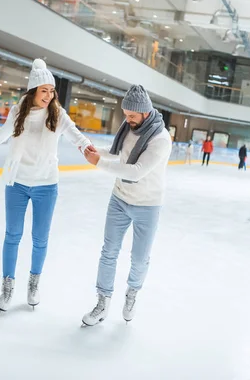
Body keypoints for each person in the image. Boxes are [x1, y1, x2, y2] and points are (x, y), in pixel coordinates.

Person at [0, 59, 93, 312]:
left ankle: (33, 285)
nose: (49, 96)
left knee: (40, 239)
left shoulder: (57, 114)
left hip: (46, 185)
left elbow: (76, 135)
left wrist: (87, 148)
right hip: (17, 183)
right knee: (12, 236)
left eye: (52, 91)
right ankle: (7, 288)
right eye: (44, 91)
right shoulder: (19, 113)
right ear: (33, 91)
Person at [80, 85, 172, 326]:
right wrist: (94, 151)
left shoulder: (160, 139)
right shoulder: (129, 127)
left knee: (139, 259)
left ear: (145, 113)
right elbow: (117, 154)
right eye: (125, 114)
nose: (127, 119)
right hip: (120, 198)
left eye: (132, 116)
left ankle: (132, 294)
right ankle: (102, 302)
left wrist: (98, 163)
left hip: (148, 205)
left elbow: (137, 171)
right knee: (109, 251)